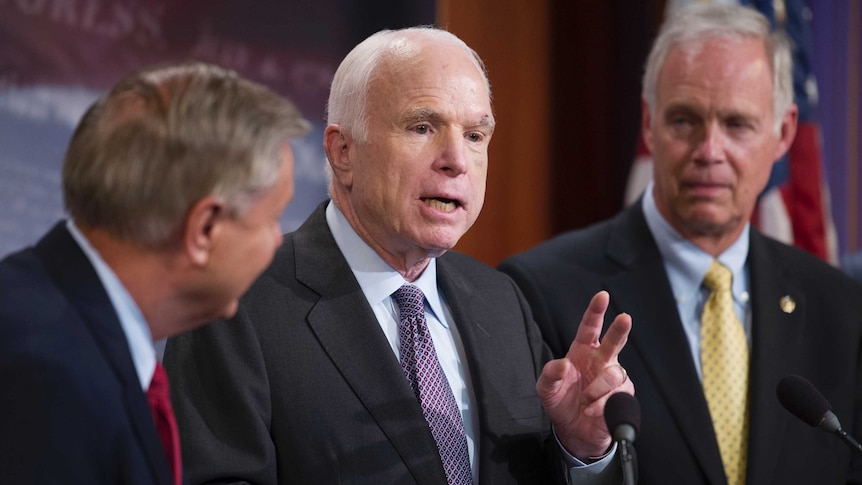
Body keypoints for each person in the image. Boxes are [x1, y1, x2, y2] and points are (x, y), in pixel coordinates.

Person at [163, 27, 634, 484]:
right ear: (342, 151)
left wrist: (579, 449)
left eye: (475, 135)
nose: (456, 159)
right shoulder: (238, 302)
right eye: (422, 127)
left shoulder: (501, 301)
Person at [500, 3, 862, 485]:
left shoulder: (840, 307)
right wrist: (585, 454)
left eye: (737, 124)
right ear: (649, 125)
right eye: (685, 121)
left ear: (784, 133)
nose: (709, 151)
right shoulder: (538, 292)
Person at [0, 62, 310, 484]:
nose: (278, 241)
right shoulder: (48, 379)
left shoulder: (51, 316)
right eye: (273, 219)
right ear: (204, 229)